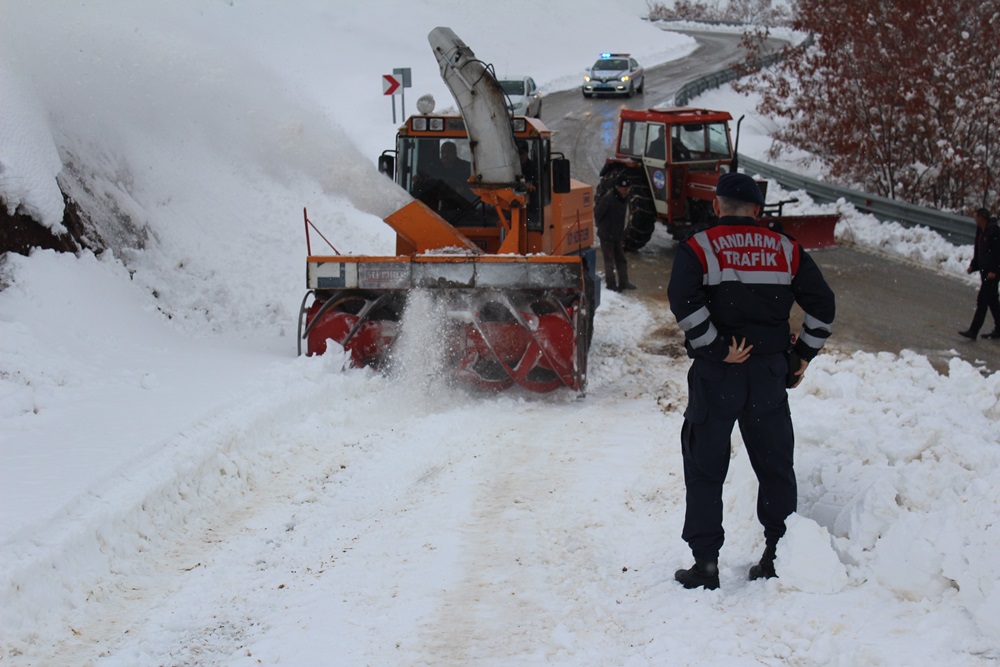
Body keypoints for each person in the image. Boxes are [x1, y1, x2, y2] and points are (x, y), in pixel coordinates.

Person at [666, 172, 836, 590]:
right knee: (775, 466)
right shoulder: (786, 249)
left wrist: (716, 347)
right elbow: (823, 306)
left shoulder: (699, 247)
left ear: (717, 206)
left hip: (718, 374)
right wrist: (801, 356)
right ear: (758, 211)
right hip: (767, 375)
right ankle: (777, 556)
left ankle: (705, 565)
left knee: (706, 466)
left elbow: (682, 302)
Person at [958, 207, 1000, 340]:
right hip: (984, 271)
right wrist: (973, 265)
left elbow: (997, 253)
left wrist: (994, 270)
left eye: (976, 216)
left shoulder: (994, 231)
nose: (974, 219)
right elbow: (979, 251)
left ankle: (973, 331)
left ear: (982, 217)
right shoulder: (980, 231)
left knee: (982, 300)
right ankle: (999, 328)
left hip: (992, 273)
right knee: (992, 301)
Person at [595, 175, 636, 291]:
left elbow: (628, 214)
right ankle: (611, 284)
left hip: (618, 234)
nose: (626, 190)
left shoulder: (626, 198)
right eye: (624, 188)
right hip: (607, 234)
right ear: (618, 188)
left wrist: (625, 230)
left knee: (621, 259)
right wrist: (602, 226)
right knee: (609, 260)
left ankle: (624, 282)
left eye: (627, 188)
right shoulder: (608, 198)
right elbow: (598, 213)